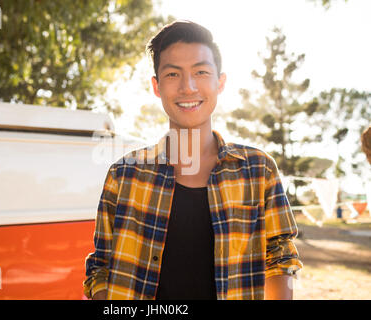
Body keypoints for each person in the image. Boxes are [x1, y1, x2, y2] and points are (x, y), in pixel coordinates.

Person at [83, 20, 302, 300]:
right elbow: (101, 268)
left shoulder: (258, 170)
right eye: (173, 74)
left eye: (200, 72)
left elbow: (280, 258)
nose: (188, 87)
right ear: (157, 86)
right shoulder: (124, 175)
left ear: (220, 82)